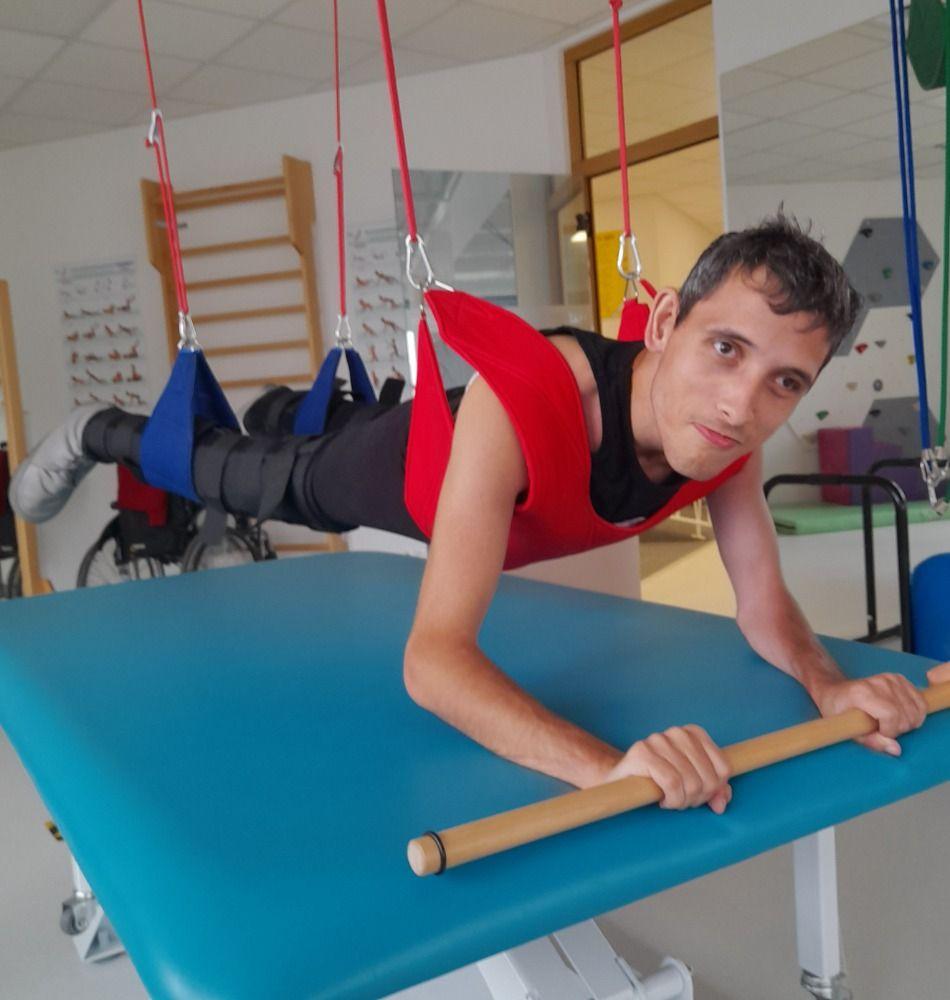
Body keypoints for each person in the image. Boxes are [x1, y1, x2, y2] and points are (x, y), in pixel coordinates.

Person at [11, 214, 929, 815]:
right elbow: (433, 661)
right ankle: (99, 427)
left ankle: (287, 404)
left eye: (784, 382)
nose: (741, 403)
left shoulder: (727, 437)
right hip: (391, 473)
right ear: (663, 325)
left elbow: (763, 605)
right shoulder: (527, 399)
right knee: (243, 475)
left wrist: (830, 685)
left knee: (327, 418)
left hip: (431, 434)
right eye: (725, 348)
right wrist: (606, 769)